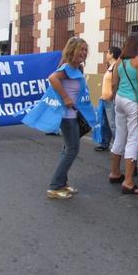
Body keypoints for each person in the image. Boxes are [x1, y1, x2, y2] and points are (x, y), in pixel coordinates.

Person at [109, 33, 138, 195]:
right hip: (131, 102)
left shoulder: (120, 61)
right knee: (132, 140)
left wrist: (115, 98)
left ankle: (115, 173)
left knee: (120, 137)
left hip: (120, 100)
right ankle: (128, 182)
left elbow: (114, 83)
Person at [46, 37, 93, 200]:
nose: (84, 53)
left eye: (86, 50)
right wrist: (65, 97)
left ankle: (62, 182)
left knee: (68, 149)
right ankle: (55, 186)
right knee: (72, 150)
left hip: (72, 115)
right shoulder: (66, 68)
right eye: (81, 49)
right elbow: (52, 78)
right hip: (66, 117)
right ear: (72, 50)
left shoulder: (76, 69)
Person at [95, 46, 121, 151]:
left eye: (108, 52)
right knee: (105, 123)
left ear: (112, 54)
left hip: (111, 100)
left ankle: (117, 146)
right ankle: (105, 143)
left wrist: (111, 96)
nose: (106, 54)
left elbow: (117, 83)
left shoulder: (116, 66)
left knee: (113, 124)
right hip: (105, 99)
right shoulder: (110, 67)